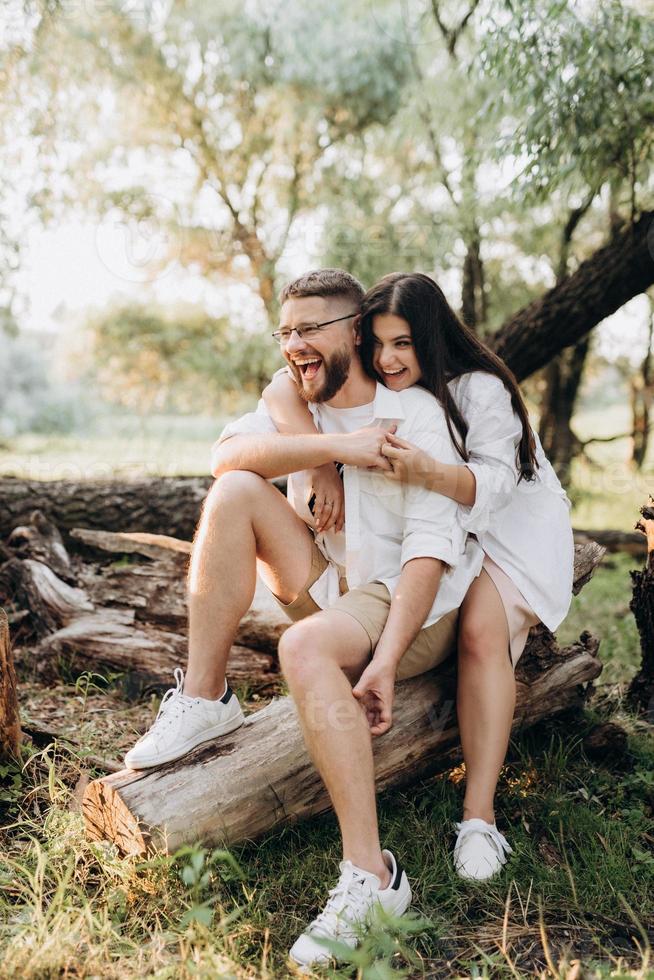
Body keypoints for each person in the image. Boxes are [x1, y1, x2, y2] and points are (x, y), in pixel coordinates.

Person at [124, 268, 482, 968]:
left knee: (307, 651)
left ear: (357, 331)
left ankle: (372, 878)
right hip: (339, 586)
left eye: (309, 328)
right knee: (232, 493)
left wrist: (383, 657)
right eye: (285, 331)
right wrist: (329, 454)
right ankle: (205, 698)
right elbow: (226, 455)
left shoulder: (413, 413)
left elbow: (431, 553)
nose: (293, 345)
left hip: (413, 601)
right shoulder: (306, 407)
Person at [262, 271, 574, 883]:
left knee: (481, 631)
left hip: (508, 526)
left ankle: (479, 819)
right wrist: (324, 462)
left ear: (431, 337)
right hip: (444, 524)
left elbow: (492, 488)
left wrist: (428, 473)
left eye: (403, 343)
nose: (387, 358)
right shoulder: (382, 384)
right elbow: (283, 384)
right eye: (377, 344)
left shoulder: (480, 389)